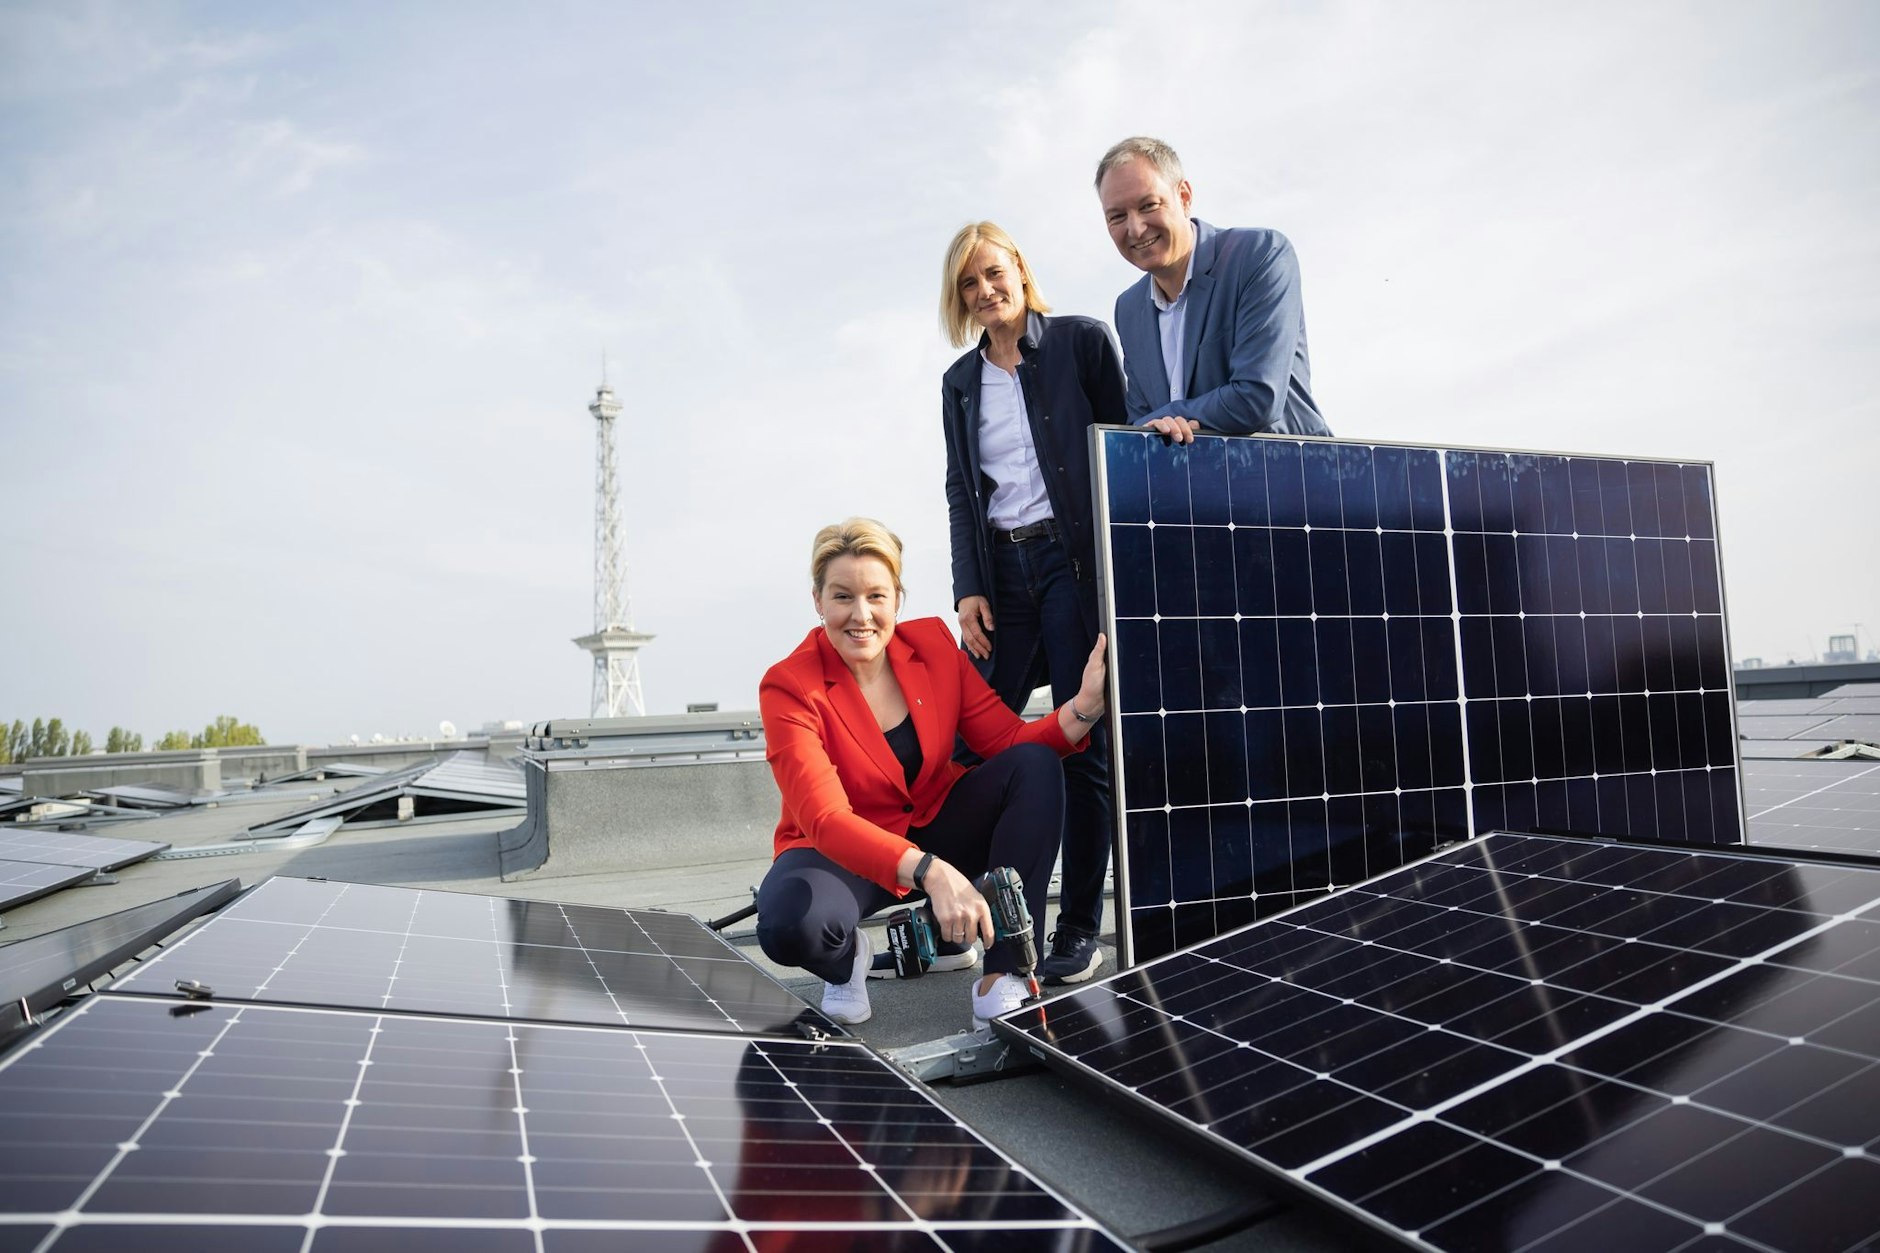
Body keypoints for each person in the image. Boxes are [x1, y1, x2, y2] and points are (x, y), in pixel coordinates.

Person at [755, 518, 1108, 1030]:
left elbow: (1009, 741)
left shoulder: (935, 647)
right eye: (842, 596)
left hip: (935, 820)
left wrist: (1085, 707)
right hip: (841, 850)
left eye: (876, 596)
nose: (861, 615)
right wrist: (931, 872)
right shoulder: (788, 686)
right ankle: (846, 959)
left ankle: (1004, 976)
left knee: (1033, 767)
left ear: (897, 599)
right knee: (790, 925)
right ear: (818, 601)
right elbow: (827, 819)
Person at [938, 221, 1123, 986]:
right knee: (966, 745)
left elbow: (1123, 450)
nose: (985, 290)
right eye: (968, 283)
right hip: (1001, 576)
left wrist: (1121, 576)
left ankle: (1077, 928)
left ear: (1019, 268)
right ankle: (968, 918)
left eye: (993, 273)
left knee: (1086, 744)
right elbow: (961, 488)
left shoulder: (1082, 342)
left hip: (1074, 568)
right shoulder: (959, 382)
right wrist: (967, 586)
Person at [1096, 135, 1333, 444]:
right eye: (1117, 216)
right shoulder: (1128, 308)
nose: (1136, 228)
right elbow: (1140, 422)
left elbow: (1257, 396)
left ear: (1184, 197)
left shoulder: (1259, 255)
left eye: (1149, 205)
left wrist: (1170, 417)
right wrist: (1157, 425)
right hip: (1195, 475)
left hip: (1290, 468)